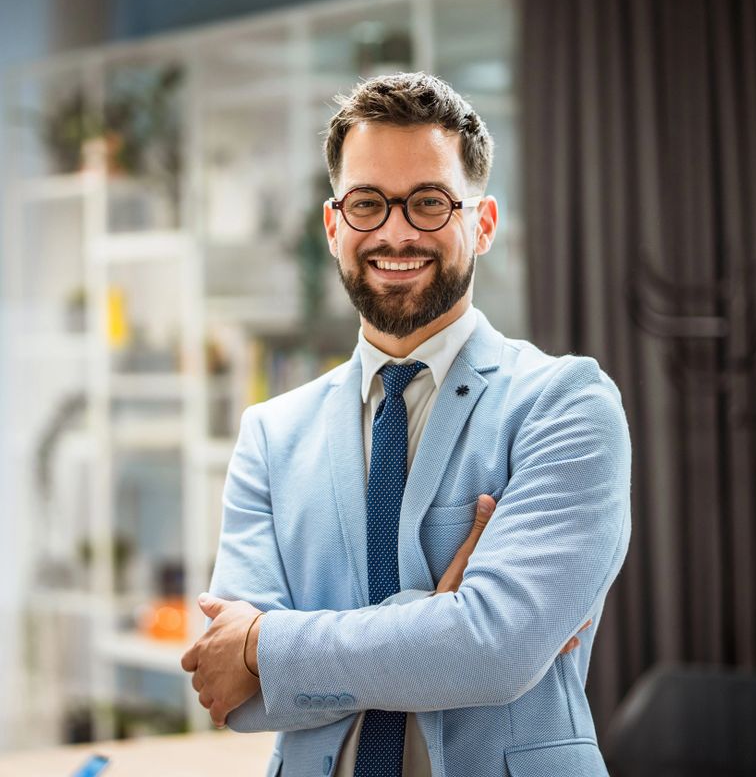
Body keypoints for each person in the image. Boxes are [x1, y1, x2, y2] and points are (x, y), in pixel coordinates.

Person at [181, 72, 631, 777]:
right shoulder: (271, 434)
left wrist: (269, 644)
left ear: (481, 225)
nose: (395, 231)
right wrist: (437, 617)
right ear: (334, 227)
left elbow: (497, 652)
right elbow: (234, 689)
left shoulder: (564, 404)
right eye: (367, 204)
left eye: (428, 203)